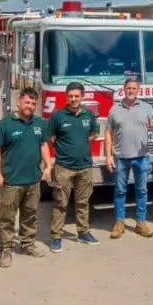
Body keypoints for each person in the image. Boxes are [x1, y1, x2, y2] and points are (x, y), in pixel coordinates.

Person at [0, 87, 52, 268]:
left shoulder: (39, 123)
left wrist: (48, 166)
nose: (30, 106)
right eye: (27, 102)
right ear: (18, 102)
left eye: (33, 103)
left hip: (33, 180)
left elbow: (43, 145)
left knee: (30, 215)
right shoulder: (5, 124)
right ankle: (6, 249)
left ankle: (27, 244)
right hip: (12, 181)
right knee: (7, 217)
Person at [46, 82, 100, 253]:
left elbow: (94, 134)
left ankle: (83, 232)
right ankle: (56, 236)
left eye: (77, 96)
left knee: (83, 202)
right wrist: (66, 149)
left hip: (85, 166)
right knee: (60, 203)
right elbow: (50, 138)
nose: (73, 99)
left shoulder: (89, 115)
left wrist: (80, 144)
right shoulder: (58, 116)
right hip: (63, 167)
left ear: (82, 96)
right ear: (66, 97)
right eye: (70, 96)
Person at [105, 77, 153, 239]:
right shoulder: (114, 109)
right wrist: (108, 156)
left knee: (141, 190)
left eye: (134, 88)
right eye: (128, 88)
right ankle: (119, 223)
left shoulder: (147, 108)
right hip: (120, 157)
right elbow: (108, 134)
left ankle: (141, 222)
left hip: (142, 157)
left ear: (138, 90)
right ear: (124, 89)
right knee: (120, 190)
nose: (131, 91)